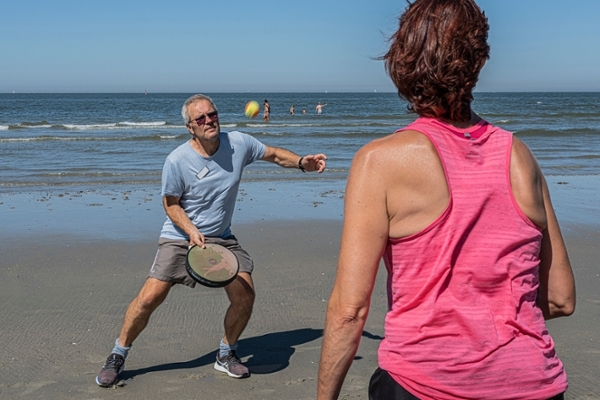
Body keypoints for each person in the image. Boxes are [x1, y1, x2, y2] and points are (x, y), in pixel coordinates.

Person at [317, 1, 575, 400]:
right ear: (480, 60)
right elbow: (560, 298)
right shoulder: (520, 156)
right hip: (535, 382)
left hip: (426, 383)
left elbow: (349, 312)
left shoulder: (380, 161)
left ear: (402, 59)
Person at [96, 94, 327, 387]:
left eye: (212, 114)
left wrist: (301, 162)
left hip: (222, 237)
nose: (209, 121)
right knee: (149, 298)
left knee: (245, 294)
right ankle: (118, 354)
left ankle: (226, 352)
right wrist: (191, 230)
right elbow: (171, 205)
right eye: (201, 118)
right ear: (190, 127)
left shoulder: (238, 144)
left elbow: (274, 154)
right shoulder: (178, 160)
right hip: (180, 237)